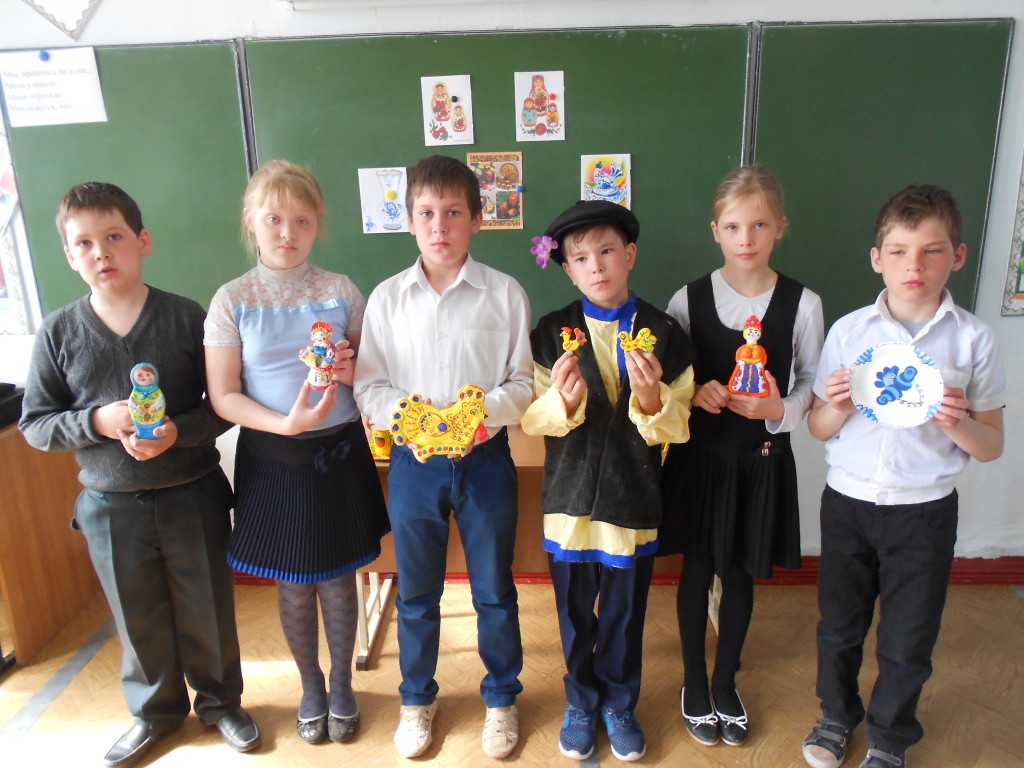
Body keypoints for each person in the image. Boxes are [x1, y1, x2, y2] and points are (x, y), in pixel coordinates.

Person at [19, 182, 260, 767]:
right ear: (69, 256)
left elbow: (224, 402)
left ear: (143, 241)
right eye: (84, 243)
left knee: (208, 606)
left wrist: (181, 431)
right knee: (136, 615)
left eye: (114, 237)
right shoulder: (58, 332)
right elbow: (35, 424)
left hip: (191, 493)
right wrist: (96, 421)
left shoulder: (185, 317)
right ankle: (155, 714)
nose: (101, 252)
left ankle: (221, 703)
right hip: (110, 504)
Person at [801, 184, 1005, 768]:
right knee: (839, 626)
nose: (914, 266)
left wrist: (957, 422)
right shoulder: (849, 332)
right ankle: (836, 716)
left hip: (925, 510)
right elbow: (817, 426)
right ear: (877, 258)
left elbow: (991, 446)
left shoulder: (973, 339)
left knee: (909, 636)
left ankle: (890, 737)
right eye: (898, 251)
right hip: (848, 503)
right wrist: (837, 405)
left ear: (957, 256)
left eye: (931, 251)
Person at [204, 160, 389, 747]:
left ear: (317, 225)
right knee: (292, 579)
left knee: (338, 576)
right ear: (251, 221)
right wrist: (284, 424)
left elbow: (371, 373)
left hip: (338, 451)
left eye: (302, 220)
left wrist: (350, 368)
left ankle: (343, 686)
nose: (287, 232)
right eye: (274, 219)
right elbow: (224, 395)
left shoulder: (341, 291)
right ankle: (310, 687)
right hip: (273, 455)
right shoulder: (232, 299)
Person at [353, 154, 532, 760]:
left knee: (494, 589)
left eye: (453, 213)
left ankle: (502, 698)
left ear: (477, 219)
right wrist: (414, 419)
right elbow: (369, 387)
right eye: (426, 213)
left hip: (485, 461)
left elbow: (523, 383)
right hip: (414, 465)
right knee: (416, 592)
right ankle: (416, 700)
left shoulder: (504, 294)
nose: (439, 226)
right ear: (409, 221)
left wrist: (477, 414)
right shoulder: (386, 299)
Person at [521, 200, 696, 762]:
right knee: (574, 614)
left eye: (607, 251)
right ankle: (580, 701)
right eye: (580, 258)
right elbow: (535, 418)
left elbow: (680, 423)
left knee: (623, 614)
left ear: (630, 255)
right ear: (567, 269)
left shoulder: (664, 333)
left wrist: (651, 398)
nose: (596, 265)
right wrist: (564, 402)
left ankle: (620, 703)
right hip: (569, 500)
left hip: (631, 498)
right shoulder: (551, 333)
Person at [658, 166, 824, 748]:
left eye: (759, 225)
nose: (746, 238)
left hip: (761, 457)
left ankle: (726, 681)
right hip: (702, 459)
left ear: (780, 227)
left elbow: (813, 384)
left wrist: (779, 408)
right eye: (732, 226)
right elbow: (672, 380)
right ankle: (694, 681)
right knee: (697, 568)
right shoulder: (687, 299)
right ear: (715, 231)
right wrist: (694, 392)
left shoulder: (803, 304)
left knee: (739, 572)